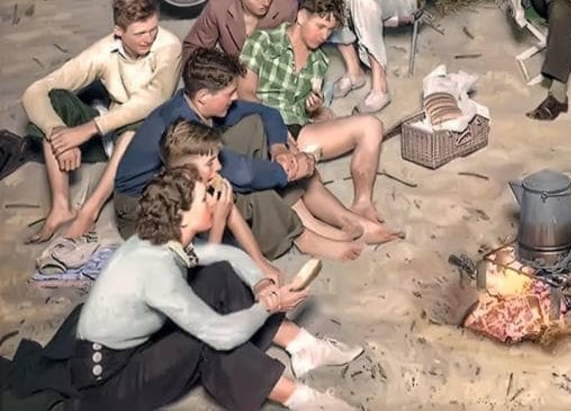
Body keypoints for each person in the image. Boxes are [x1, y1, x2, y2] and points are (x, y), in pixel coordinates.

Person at [6, 167, 361, 410]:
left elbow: (223, 255)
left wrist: (261, 284)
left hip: (131, 347)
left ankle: (302, 346)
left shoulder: (162, 238)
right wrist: (267, 306)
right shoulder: (156, 270)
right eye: (204, 198)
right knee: (208, 341)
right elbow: (220, 334)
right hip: (109, 383)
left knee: (218, 273)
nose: (213, 200)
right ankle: (299, 398)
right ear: (182, 216)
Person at [115, 47, 381, 261]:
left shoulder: (196, 102)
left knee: (254, 127)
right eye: (229, 93)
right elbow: (243, 173)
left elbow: (267, 113)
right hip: (144, 209)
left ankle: (309, 221)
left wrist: (278, 149)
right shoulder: (182, 124)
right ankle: (301, 237)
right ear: (204, 96)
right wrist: (287, 171)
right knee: (242, 185)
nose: (234, 98)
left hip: (183, 178)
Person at [21, 0, 182, 243]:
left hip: (148, 138)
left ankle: (90, 209)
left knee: (139, 120)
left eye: (153, 29)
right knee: (55, 99)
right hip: (110, 134)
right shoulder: (103, 51)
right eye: (140, 33)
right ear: (119, 31)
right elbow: (34, 92)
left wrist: (86, 130)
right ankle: (61, 207)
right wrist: (58, 134)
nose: (149, 38)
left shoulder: (169, 45)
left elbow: (155, 99)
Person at [239, 0, 398, 237]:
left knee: (372, 126)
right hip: (261, 126)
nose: (324, 35)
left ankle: (362, 202)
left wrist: (312, 108)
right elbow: (245, 93)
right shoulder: (262, 42)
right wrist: (275, 130)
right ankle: (351, 224)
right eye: (320, 26)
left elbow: (304, 112)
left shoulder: (319, 61)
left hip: (299, 130)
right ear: (302, 16)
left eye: (330, 30)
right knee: (306, 175)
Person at [160, 119, 283, 285]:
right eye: (210, 163)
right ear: (185, 173)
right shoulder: (172, 205)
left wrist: (260, 263)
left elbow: (232, 214)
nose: (218, 166)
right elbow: (207, 274)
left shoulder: (204, 183)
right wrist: (219, 220)